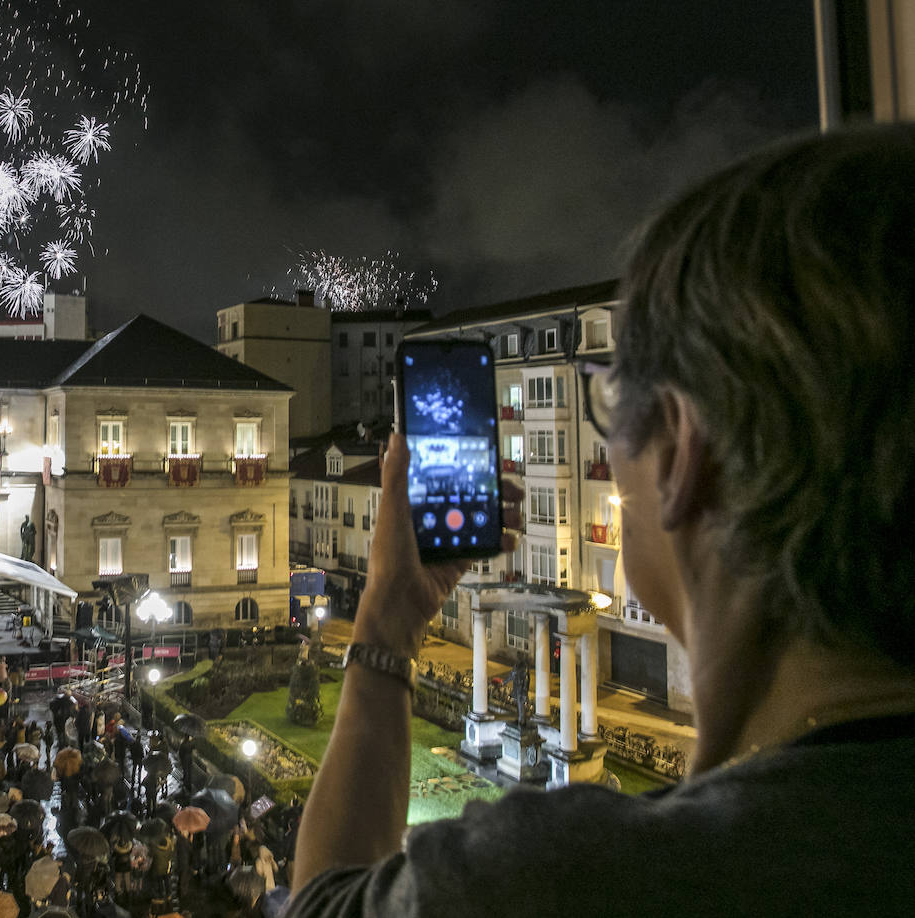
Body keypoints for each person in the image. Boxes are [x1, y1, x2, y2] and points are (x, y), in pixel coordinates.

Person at [287, 127, 915, 916]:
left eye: (610, 398)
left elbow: (320, 903)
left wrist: (385, 626)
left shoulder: (561, 881)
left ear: (680, 453)